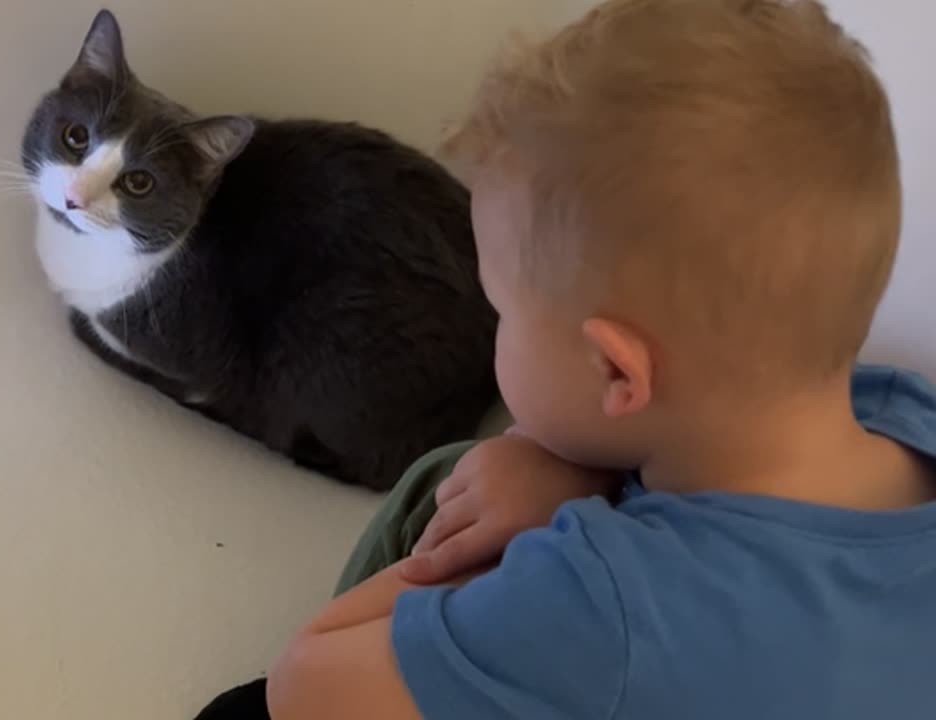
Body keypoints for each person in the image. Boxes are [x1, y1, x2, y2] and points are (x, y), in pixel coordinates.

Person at [252, 1, 936, 718]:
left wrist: (562, 511)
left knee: (450, 482)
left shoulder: (605, 603)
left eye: (504, 309)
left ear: (615, 372)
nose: (496, 329)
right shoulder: (904, 412)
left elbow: (302, 684)